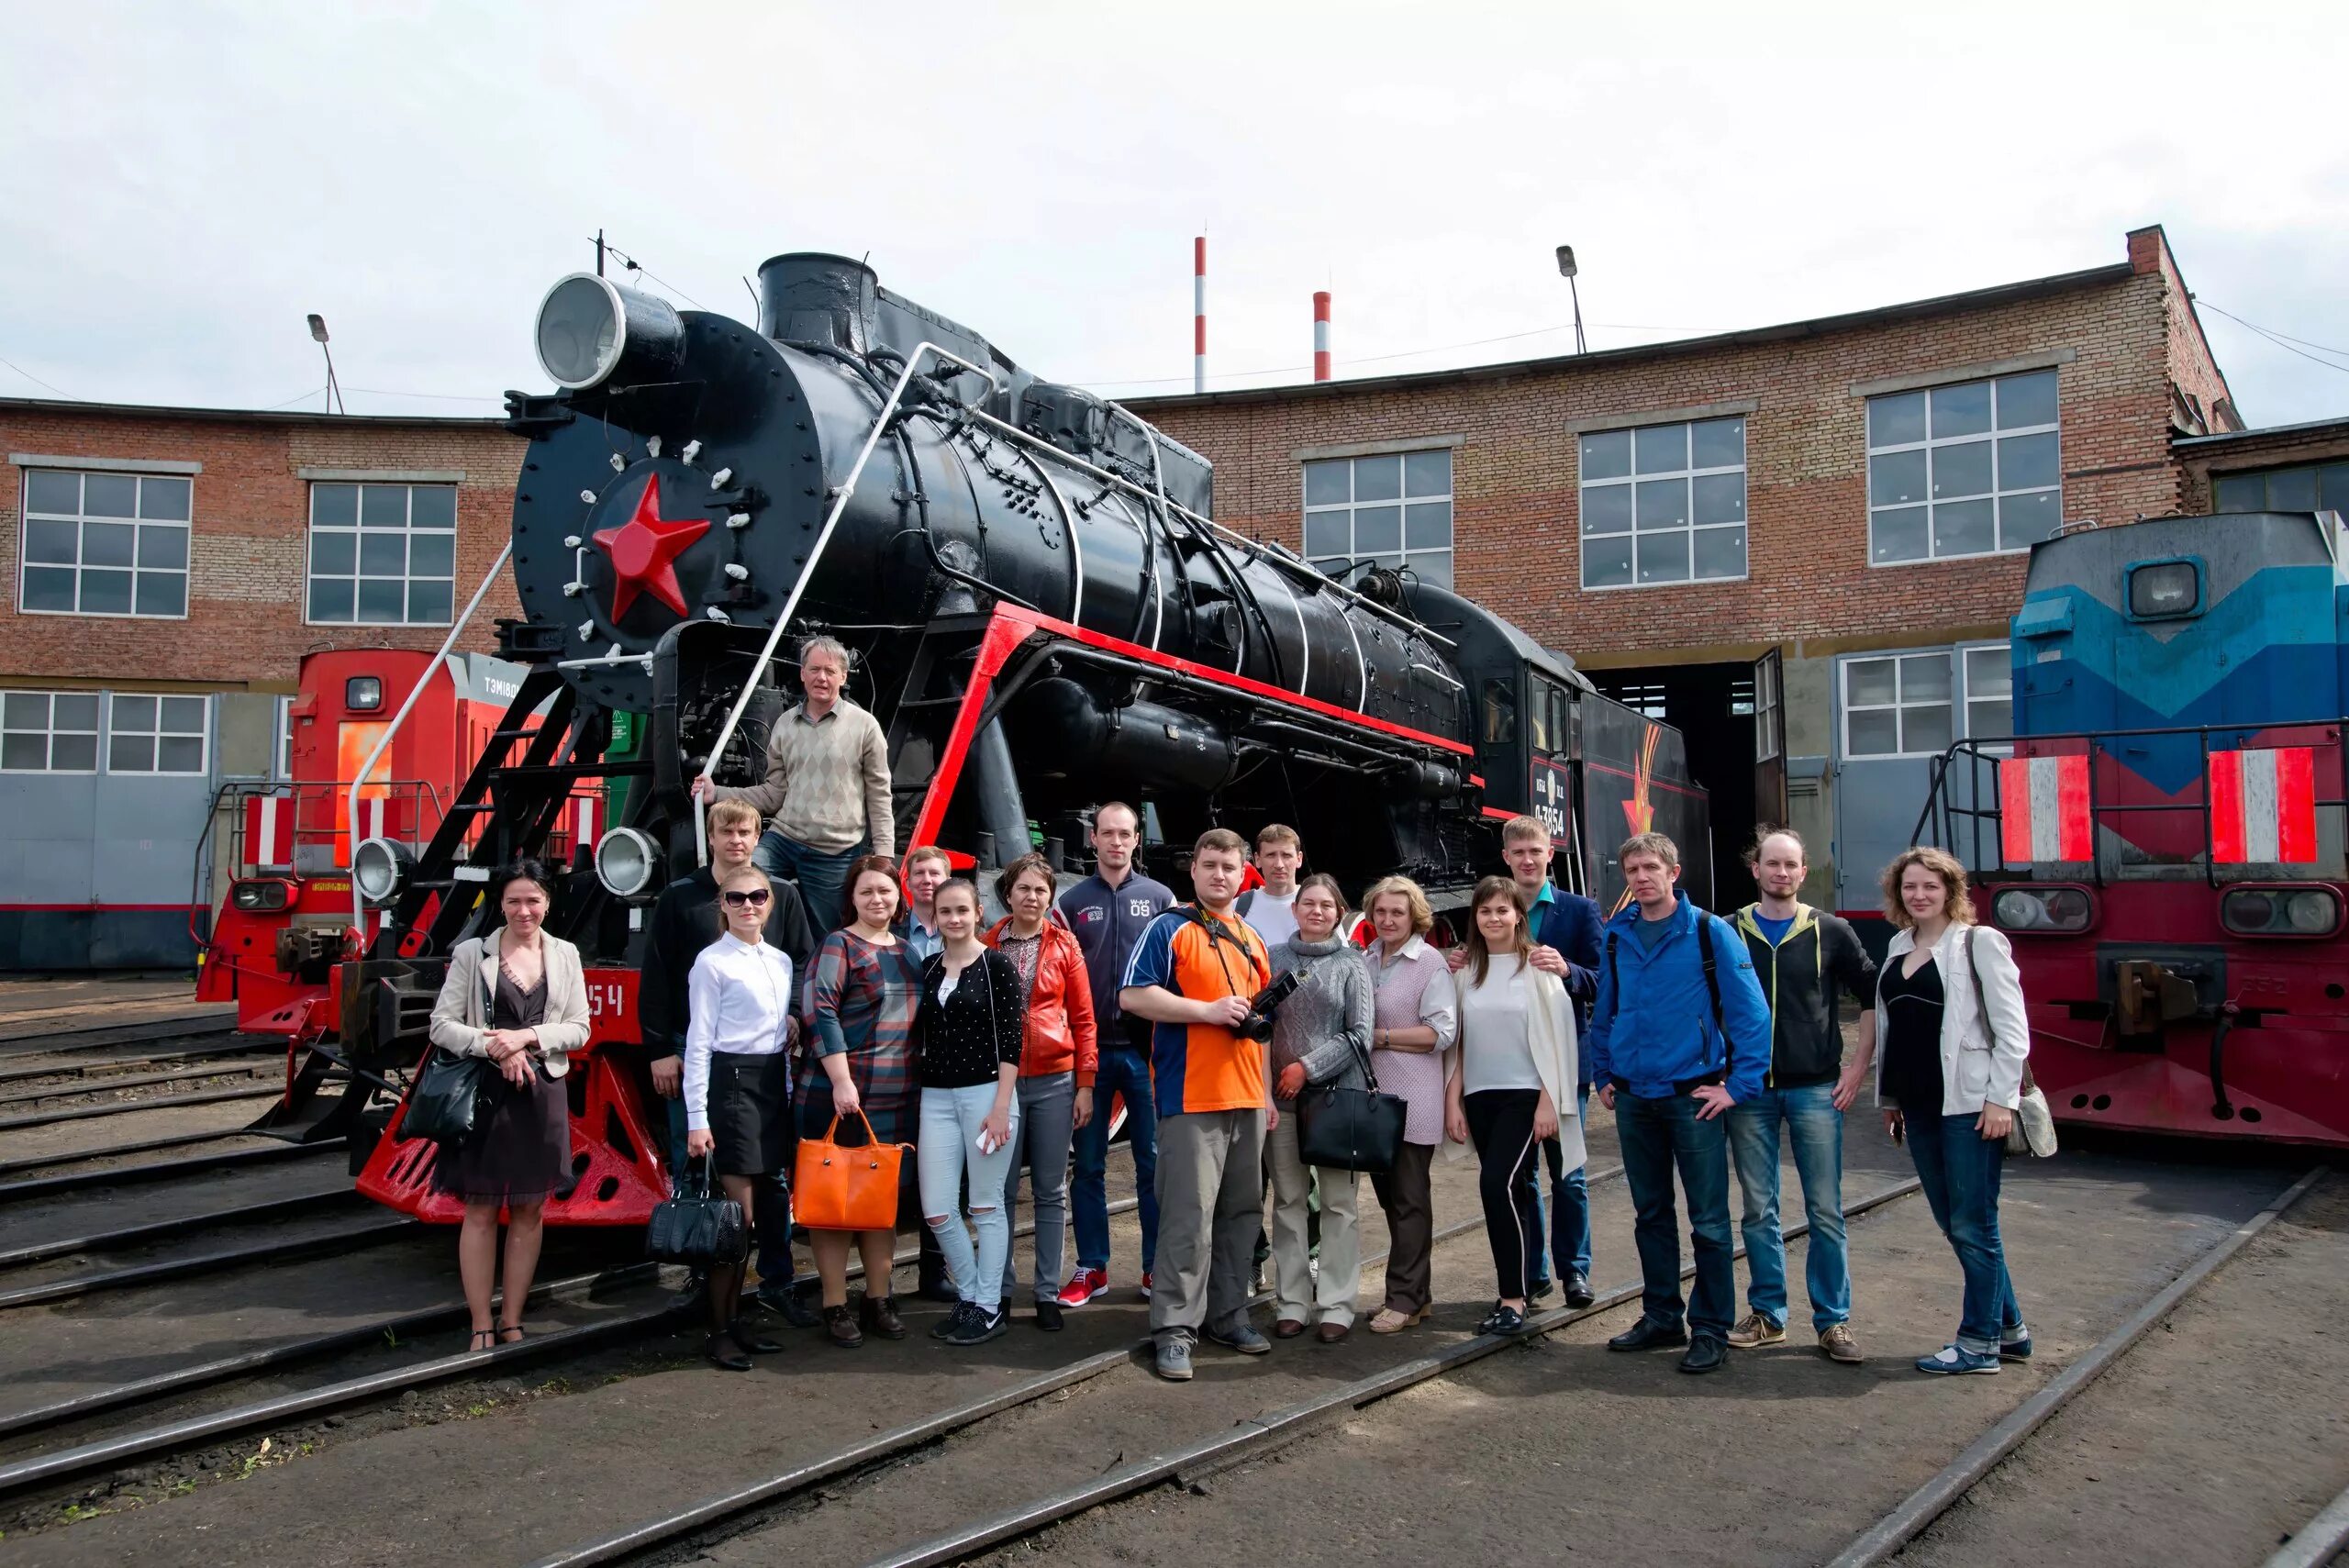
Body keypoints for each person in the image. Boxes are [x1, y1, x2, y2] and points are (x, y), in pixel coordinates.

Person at [1587, 832, 1773, 1375]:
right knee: (1650, 1214)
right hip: (1633, 1097)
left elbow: (1751, 1014)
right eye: (1632, 870)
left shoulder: (1710, 932)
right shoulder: (1618, 935)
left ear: (1674, 872)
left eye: (1651, 868)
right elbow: (1606, 1009)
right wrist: (1603, 1072)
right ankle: (1662, 1315)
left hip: (1692, 1098)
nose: (1641, 878)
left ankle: (1710, 1327)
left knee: (1710, 1221)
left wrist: (1738, 1087)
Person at [639, 799, 818, 1327]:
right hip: (703, 1055)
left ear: (758, 835)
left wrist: (791, 1015)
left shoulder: (781, 894)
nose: (736, 840)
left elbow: (802, 960)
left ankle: (777, 1280)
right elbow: (658, 975)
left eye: (745, 831)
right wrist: (659, 1050)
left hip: (767, 1062)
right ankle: (707, 1278)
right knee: (702, 1170)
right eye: (726, 831)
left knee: (773, 1182)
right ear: (710, 837)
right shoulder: (680, 898)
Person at [1119, 828, 1275, 1382]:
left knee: (1241, 1214)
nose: (1219, 875)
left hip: (1247, 1096)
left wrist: (1267, 1093)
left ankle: (1227, 1315)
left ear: (1243, 874)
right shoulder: (1169, 929)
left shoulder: (1253, 939)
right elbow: (1132, 996)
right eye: (1209, 865)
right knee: (1188, 1217)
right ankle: (1174, 1330)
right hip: (1191, 1097)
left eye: (1229, 868)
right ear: (1193, 870)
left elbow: (1261, 1026)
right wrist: (1206, 1012)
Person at [1877, 846, 2033, 1376]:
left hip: (1969, 1106)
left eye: (1930, 887)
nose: (1919, 895)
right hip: (1918, 1106)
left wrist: (2000, 1101)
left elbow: (2013, 1030)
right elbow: (1896, 1029)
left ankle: (1978, 1345)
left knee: (1974, 1224)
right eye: (1910, 887)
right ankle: (2010, 1330)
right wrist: (1892, 1100)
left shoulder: (1978, 943)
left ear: (1951, 891)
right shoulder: (1899, 945)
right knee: (1956, 1224)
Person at [1725, 828, 1879, 1364]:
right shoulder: (1727, 931)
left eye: (1791, 865)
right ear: (1756, 870)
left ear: (1803, 872)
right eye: (1772, 864)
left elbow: (1872, 993)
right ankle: (1769, 1315)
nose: (1781, 873)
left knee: (1825, 1209)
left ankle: (1833, 1322)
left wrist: (1859, 1069)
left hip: (1815, 1089)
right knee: (1758, 1208)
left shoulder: (1830, 931)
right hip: (1749, 1093)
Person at [426, 860, 593, 1351]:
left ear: (547, 903)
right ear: (500, 903)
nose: (525, 910)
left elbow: (580, 1027)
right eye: (515, 900)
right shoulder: (470, 954)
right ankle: (481, 1323)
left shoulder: (566, 954)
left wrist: (525, 1038)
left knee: (529, 1209)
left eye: (533, 900)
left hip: (541, 1092)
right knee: (479, 1209)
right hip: (484, 1093)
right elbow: (441, 1024)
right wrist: (493, 1046)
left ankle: (514, 1319)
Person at [1442, 877, 1579, 1338]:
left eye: (1503, 910)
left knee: (1495, 1184)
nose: (1494, 919)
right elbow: (1458, 1044)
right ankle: (1522, 1286)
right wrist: (1453, 1099)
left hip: (1525, 1096)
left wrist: (1548, 1101)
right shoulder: (1465, 974)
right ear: (1475, 919)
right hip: (1481, 1096)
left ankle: (1512, 1299)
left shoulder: (1538, 968)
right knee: (1514, 1191)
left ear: (1519, 915)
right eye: (1485, 912)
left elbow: (1558, 1039)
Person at [1055, 802, 1176, 1307]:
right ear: (1093, 839)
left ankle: (1153, 1269)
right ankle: (1092, 1268)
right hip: (1091, 1055)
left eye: (1125, 833)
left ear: (1135, 840)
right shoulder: (1072, 901)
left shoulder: (1162, 897)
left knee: (1152, 1163)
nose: (1116, 842)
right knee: (1087, 1166)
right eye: (1107, 833)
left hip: (1147, 1054)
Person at [692, 634, 894, 933]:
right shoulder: (785, 724)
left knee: (829, 932)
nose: (821, 678)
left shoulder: (864, 726)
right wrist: (716, 792)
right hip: (784, 840)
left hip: (835, 850)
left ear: (843, 676)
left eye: (829, 671)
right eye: (814, 669)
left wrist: (884, 853)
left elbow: (879, 793)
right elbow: (773, 794)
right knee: (740, 879)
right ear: (802, 673)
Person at [802, 853, 922, 1347]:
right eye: (867, 890)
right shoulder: (839, 944)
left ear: (899, 899)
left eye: (886, 891)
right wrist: (840, 1079)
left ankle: (878, 1298)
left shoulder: (910, 950)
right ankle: (834, 1304)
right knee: (834, 1205)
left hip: (898, 1098)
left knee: (880, 1205)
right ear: (851, 897)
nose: (878, 898)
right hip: (843, 1096)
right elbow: (819, 1010)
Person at [682, 864, 797, 1369]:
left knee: (764, 1215)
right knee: (735, 1220)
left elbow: (779, 1034)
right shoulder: (710, 964)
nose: (747, 905)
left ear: (769, 902)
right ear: (722, 905)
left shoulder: (780, 960)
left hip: (771, 1086)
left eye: (756, 896)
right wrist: (696, 1117)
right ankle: (719, 1331)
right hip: (731, 1088)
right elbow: (699, 1043)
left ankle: (737, 1322)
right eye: (736, 897)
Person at [1493, 815, 1604, 1308]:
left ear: (1549, 854)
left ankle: (1574, 1273)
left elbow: (1604, 980)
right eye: (1518, 853)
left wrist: (1569, 970)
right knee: (1522, 1176)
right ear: (1506, 858)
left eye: (1534, 851)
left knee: (1569, 1173)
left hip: (1562, 1063)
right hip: (1508, 1066)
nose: (1527, 860)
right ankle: (1533, 1272)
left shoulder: (1579, 912)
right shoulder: (1491, 908)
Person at [985, 852, 1098, 1330]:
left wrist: (1086, 1084)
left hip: (1054, 1079)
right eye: (1023, 889)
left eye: (1040, 891)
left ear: (1050, 897)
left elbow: (1084, 1019)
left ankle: (1047, 1292)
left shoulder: (1065, 946)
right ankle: (1002, 1288)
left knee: (1051, 1191)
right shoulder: (986, 944)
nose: (1032, 897)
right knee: (1002, 1190)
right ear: (1008, 894)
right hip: (1001, 1084)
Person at [914, 877, 1027, 1346]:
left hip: (987, 1095)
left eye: (962, 910)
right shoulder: (929, 967)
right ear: (935, 918)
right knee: (938, 1208)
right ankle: (973, 1293)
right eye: (946, 912)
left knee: (984, 1205)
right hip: (936, 1096)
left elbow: (1012, 1039)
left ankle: (987, 1306)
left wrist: (1002, 1107)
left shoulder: (997, 965)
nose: (955, 919)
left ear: (977, 912)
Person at [1264, 873, 1375, 1342]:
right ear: (1295, 910)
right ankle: (1291, 1300)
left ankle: (1336, 1303)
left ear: (1339, 913)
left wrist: (1305, 1068)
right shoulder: (1273, 959)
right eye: (1308, 903)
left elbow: (1361, 1034)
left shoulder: (1352, 965)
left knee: (1337, 1204)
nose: (1316, 911)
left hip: (1334, 1100)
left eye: (1326, 905)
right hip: (1283, 1104)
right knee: (1288, 1202)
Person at [1360, 875, 1457, 1334]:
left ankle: (1402, 1298)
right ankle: (1418, 1295)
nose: (1388, 919)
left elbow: (1442, 1033)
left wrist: (1380, 1038)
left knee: (1409, 1201)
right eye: (1380, 912)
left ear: (1413, 915)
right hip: (1376, 1099)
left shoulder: (1429, 962)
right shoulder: (1365, 958)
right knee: (1391, 1200)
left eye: (1397, 912)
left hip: (1413, 1097)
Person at [1236, 823, 1304, 950]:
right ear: (1258, 859)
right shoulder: (1236, 907)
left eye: (1286, 855)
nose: (1279, 864)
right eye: (1271, 855)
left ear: (1299, 859)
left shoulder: (1318, 907)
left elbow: (1340, 962)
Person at [899, 844, 952, 965]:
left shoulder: (963, 932)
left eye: (934, 873)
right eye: (919, 873)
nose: (927, 880)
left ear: (948, 883)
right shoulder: (890, 932)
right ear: (907, 883)